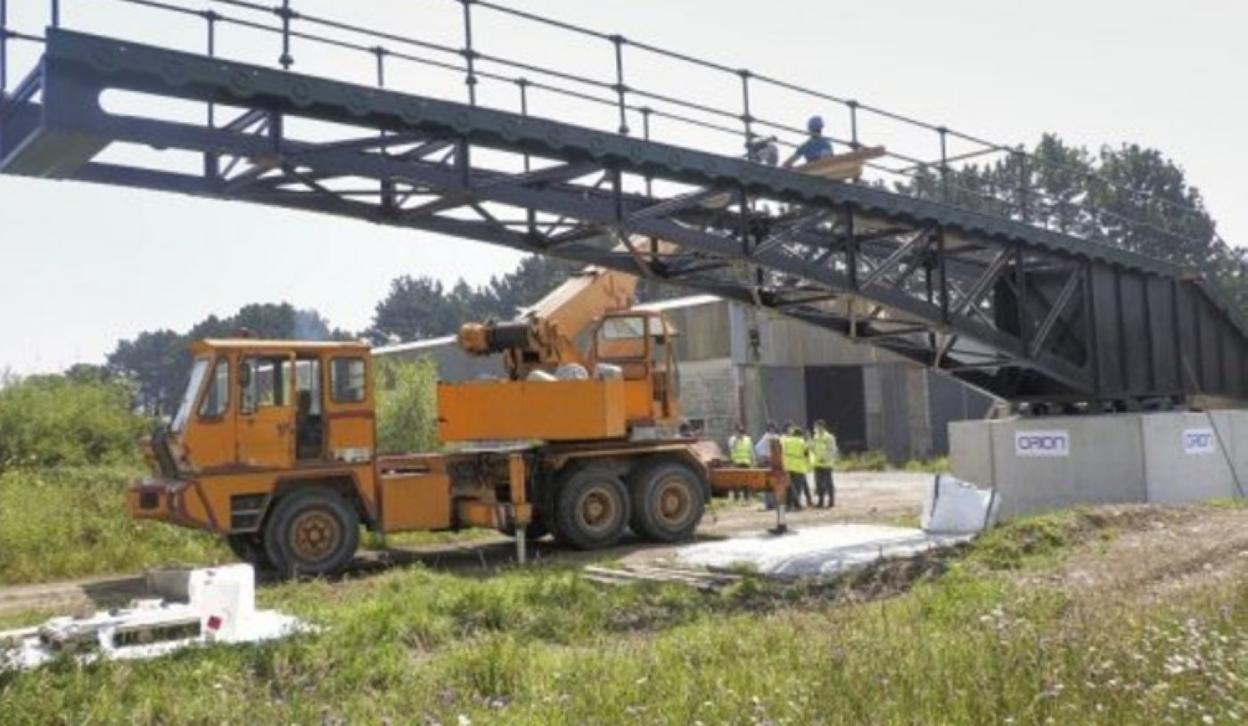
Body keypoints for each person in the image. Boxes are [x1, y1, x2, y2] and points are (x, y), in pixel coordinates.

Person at [780, 422, 812, 511]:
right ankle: (797, 505)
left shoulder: (787, 440)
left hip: (788, 466)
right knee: (797, 488)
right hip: (799, 468)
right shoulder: (801, 441)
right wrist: (809, 439)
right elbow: (806, 452)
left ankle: (788, 505)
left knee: (789, 487)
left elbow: (782, 449)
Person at [810, 419, 838, 508]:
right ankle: (820, 501)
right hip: (817, 464)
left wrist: (825, 459)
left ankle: (831, 501)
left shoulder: (829, 437)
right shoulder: (815, 436)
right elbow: (813, 448)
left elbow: (832, 450)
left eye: (817, 426)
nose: (815, 428)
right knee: (818, 483)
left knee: (828, 483)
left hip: (826, 464)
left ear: (821, 426)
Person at [727, 423, 755, 500]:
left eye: (741, 432)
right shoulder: (733, 439)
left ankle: (747, 497)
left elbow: (751, 450)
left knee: (746, 481)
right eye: (739, 431)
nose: (740, 433)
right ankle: (737, 497)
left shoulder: (748, 439)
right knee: (737, 481)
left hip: (746, 462)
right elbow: (731, 448)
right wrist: (736, 439)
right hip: (737, 462)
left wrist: (753, 460)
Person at [754, 422, 779, 510]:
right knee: (768, 483)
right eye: (770, 428)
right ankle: (769, 503)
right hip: (769, 463)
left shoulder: (775, 437)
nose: (772, 430)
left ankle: (774, 503)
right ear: (768, 429)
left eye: (773, 428)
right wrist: (765, 457)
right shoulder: (766, 437)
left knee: (774, 483)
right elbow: (757, 448)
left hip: (775, 463)